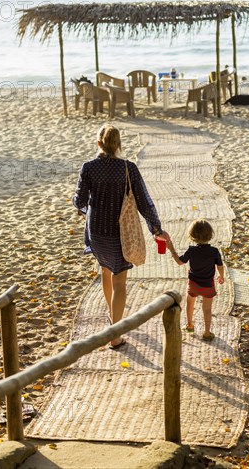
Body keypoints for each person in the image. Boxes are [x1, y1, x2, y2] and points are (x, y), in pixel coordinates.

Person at [73, 124, 169, 349]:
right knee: (120, 281)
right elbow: (145, 202)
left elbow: (79, 201)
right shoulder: (129, 168)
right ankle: (115, 335)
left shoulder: (88, 168)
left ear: (99, 144)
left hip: (96, 231)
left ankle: (112, 317)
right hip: (120, 233)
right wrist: (156, 229)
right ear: (119, 145)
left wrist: (89, 210)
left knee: (105, 270)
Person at [166, 219, 224, 341]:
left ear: (192, 236)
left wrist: (171, 249)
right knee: (207, 309)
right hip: (208, 285)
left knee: (190, 304)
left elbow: (179, 262)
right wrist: (221, 276)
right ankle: (207, 332)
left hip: (193, 285)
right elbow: (220, 265)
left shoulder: (191, 250)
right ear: (210, 235)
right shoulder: (214, 252)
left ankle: (190, 325)